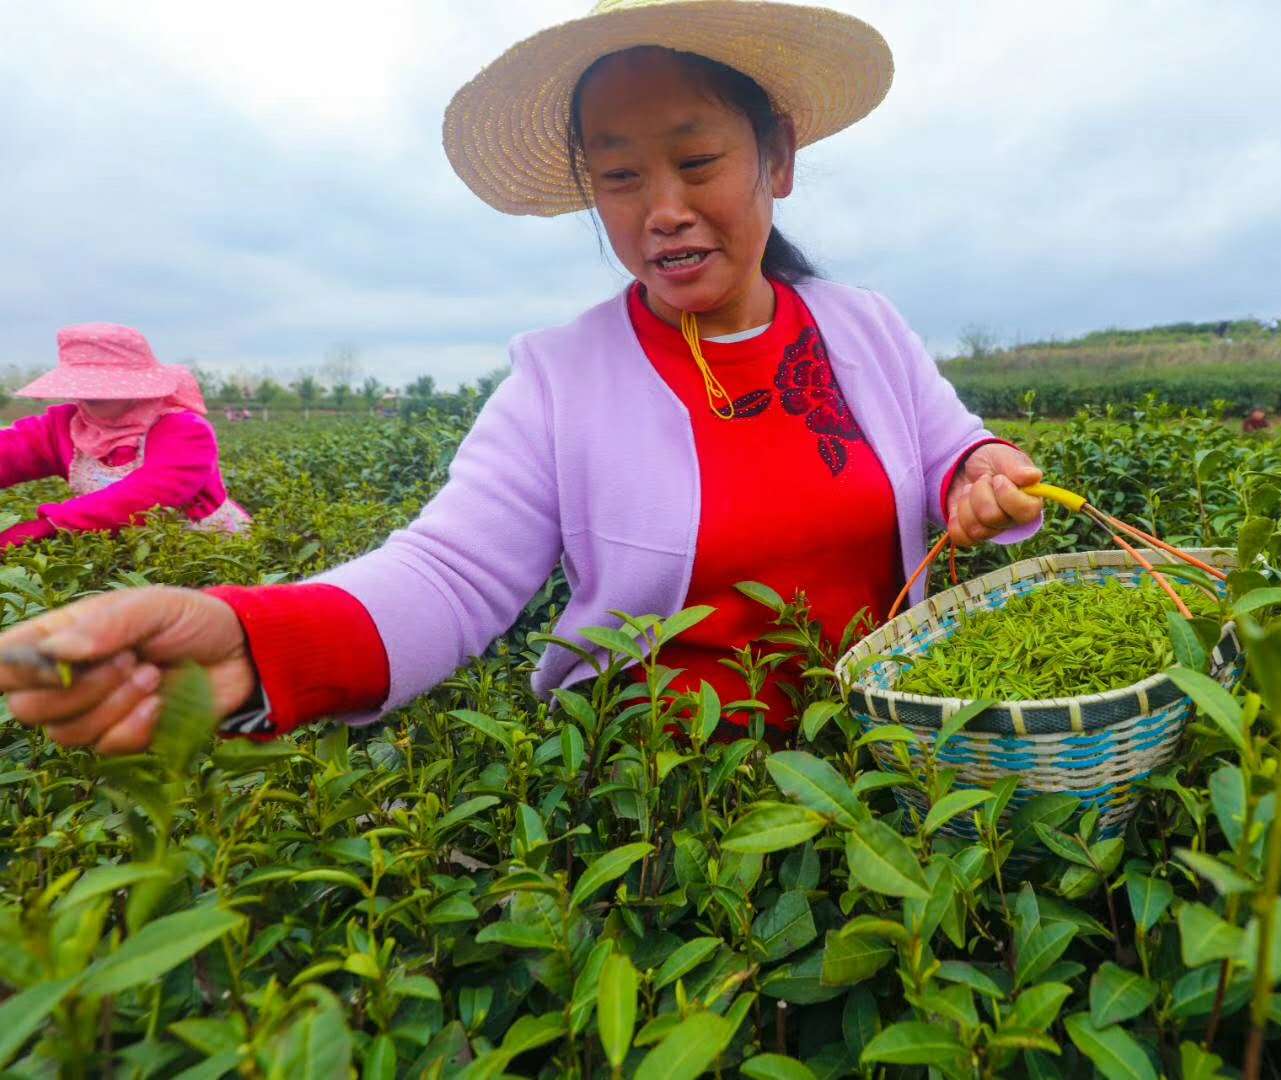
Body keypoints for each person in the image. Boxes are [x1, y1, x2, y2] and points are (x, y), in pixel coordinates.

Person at [0, 0, 1044, 755]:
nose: (662, 208)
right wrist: (254, 637)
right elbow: (447, 577)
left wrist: (983, 470)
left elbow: (954, 445)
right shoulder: (561, 379)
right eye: (621, 175)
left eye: (697, 161)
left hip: (894, 754)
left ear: (776, 160)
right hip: (657, 798)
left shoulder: (865, 327)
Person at [0, 324, 250, 550]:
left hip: (203, 549)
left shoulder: (184, 429)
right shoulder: (65, 426)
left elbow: (150, 496)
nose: (91, 394)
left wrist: (51, 525)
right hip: (123, 548)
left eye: (103, 384)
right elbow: (12, 451)